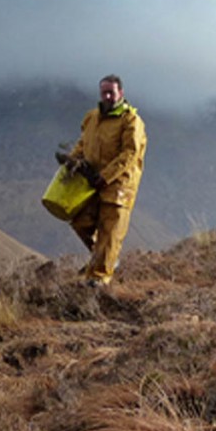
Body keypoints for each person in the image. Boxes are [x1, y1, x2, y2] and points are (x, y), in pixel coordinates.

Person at [66, 74, 147, 286]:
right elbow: (83, 144)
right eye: (105, 92)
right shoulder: (92, 118)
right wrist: (72, 162)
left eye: (112, 92)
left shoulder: (131, 121)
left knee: (111, 232)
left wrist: (106, 176)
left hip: (119, 185)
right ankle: (104, 258)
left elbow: (130, 153)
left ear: (121, 93)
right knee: (79, 220)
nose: (108, 96)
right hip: (91, 182)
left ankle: (100, 278)